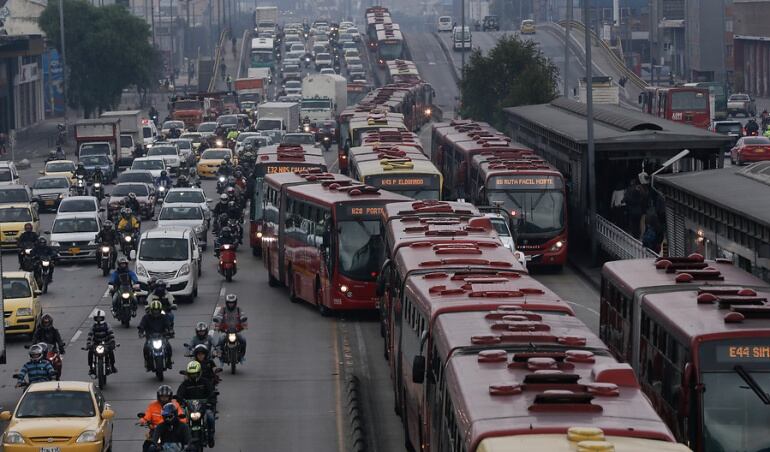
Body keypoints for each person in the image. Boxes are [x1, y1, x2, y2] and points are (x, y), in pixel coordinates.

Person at [176, 361, 216, 447]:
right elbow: (179, 394)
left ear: (199, 373)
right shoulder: (185, 384)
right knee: (180, 419)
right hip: (189, 408)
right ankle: (181, 440)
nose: (193, 376)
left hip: (204, 407)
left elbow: (212, 393)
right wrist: (180, 401)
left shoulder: (205, 382)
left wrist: (210, 401)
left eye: (195, 374)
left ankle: (210, 436)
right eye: (191, 374)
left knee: (210, 416)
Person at [139, 385, 186, 452]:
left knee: (185, 444)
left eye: (166, 397)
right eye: (162, 396)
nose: (164, 398)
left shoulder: (175, 405)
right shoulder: (152, 406)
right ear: (159, 396)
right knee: (147, 446)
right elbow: (147, 415)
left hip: (171, 430)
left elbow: (181, 415)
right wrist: (143, 420)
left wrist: (182, 420)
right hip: (155, 431)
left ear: (170, 397)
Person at [139, 300, 174, 369]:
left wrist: (171, 331)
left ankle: (169, 361)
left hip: (162, 336)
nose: (156, 312)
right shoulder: (146, 317)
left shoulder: (164, 317)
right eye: (154, 310)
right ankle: (147, 362)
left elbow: (168, 325)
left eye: (157, 310)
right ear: (151, 310)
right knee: (145, 348)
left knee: (168, 347)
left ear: (160, 310)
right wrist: (141, 332)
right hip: (150, 337)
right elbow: (142, 325)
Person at [213, 294, 247, 362]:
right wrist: (217, 321)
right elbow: (219, 316)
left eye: (232, 303)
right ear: (227, 303)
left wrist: (243, 319)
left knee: (243, 340)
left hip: (236, 330)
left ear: (235, 303)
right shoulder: (223, 309)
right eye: (229, 303)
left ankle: (242, 355)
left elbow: (242, 315)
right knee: (220, 341)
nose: (231, 304)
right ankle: (220, 355)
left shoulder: (238, 309)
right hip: (226, 331)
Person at [86, 309, 117, 375]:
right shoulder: (93, 326)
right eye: (97, 318)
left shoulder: (107, 325)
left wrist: (112, 343)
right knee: (90, 352)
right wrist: (88, 344)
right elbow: (90, 335)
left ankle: (112, 366)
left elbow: (111, 334)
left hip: (106, 344)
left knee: (111, 352)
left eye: (100, 318)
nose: (98, 319)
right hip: (96, 344)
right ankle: (91, 368)